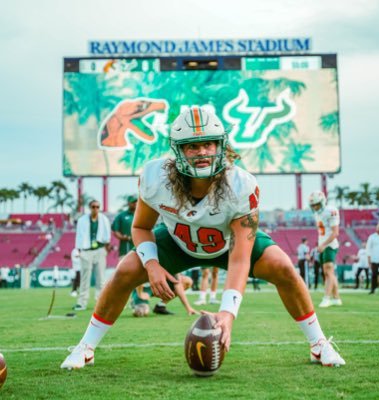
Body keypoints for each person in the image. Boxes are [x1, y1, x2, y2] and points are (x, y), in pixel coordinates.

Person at [61, 106, 345, 370]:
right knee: (125, 271)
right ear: (178, 150)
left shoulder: (241, 184)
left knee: (283, 268)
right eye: (193, 146)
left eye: (209, 144)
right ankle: (86, 346)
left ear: (220, 146)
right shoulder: (155, 177)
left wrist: (228, 313)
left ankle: (318, 343)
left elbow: (240, 256)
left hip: (227, 244)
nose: (202, 152)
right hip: (177, 241)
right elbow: (141, 227)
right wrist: (152, 265)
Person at [73, 200, 111, 311]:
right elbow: (79, 235)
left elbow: (107, 235)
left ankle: (100, 303)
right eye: (93, 207)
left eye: (97, 207)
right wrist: (79, 250)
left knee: (101, 278)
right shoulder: (82, 220)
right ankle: (81, 303)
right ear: (90, 207)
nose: (95, 209)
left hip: (99, 249)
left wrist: (106, 249)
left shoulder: (104, 219)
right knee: (85, 278)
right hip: (86, 250)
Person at [309, 191, 342, 308]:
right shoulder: (318, 213)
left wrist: (323, 244)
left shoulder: (330, 211)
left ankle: (327, 298)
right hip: (323, 245)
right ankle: (336, 298)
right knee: (328, 272)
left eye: (317, 204)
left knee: (328, 272)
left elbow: (335, 232)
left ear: (322, 202)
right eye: (313, 205)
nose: (315, 207)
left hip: (330, 245)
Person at [132, 274, 198, 317]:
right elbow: (138, 276)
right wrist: (140, 293)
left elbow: (178, 286)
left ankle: (160, 306)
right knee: (141, 313)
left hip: (158, 286)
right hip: (143, 288)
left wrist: (188, 308)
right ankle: (134, 301)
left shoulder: (170, 262)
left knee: (187, 281)